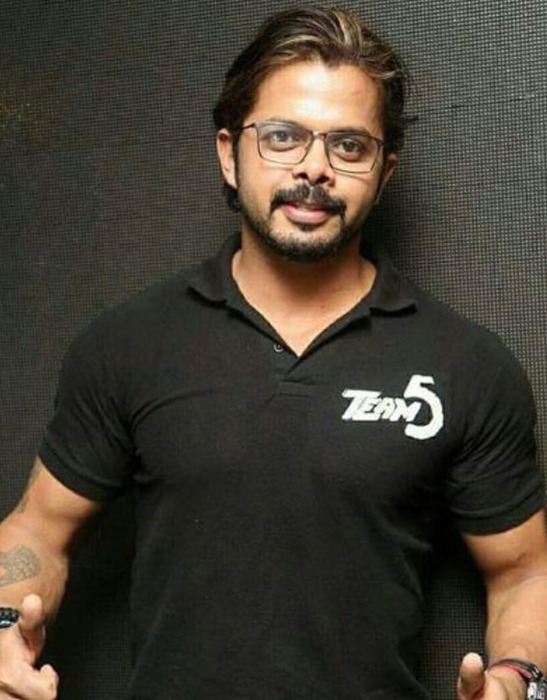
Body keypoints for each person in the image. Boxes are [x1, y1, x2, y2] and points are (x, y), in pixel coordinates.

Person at [0, 5, 546, 700]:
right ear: (229, 153)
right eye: (283, 137)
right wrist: (3, 625)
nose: (314, 168)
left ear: (383, 173)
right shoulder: (128, 344)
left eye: (349, 146)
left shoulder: (466, 367)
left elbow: (525, 572)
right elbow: (39, 530)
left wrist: (519, 679)